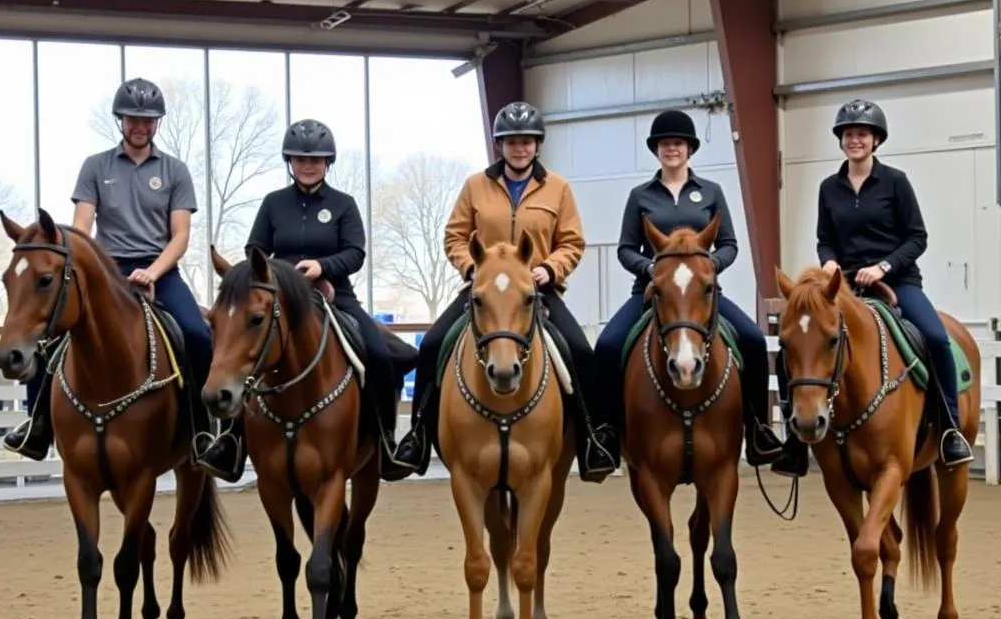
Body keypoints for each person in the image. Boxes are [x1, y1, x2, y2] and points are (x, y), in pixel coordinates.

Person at [2, 77, 236, 477]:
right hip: (107, 271)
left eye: (148, 120)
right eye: (133, 119)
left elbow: (180, 235)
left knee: (197, 335)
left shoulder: (175, 171)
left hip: (161, 271)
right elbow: (81, 227)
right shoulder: (96, 167)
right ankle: (37, 425)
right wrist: (95, 267)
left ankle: (202, 433)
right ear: (121, 121)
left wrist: (153, 272)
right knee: (49, 333)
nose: (140, 126)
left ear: (157, 124)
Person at [391, 100, 620, 484]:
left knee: (580, 352)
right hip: (484, 293)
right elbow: (455, 236)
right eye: (511, 141)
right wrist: (472, 268)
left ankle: (592, 440)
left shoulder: (558, 188)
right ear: (500, 145)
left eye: (527, 141)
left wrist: (550, 268)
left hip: (537, 292)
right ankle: (418, 437)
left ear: (537, 145)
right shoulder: (475, 186)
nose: (519, 148)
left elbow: (572, 241)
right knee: (432, 344)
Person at [198, 118, 408, 483]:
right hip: (280, 298)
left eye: (315, 160)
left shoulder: (344, 205)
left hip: (335, 295)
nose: (308, 165)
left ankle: (386, 440)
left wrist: (323, 267)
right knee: (240, 351)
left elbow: (355, 253)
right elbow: (255, 251)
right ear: (289, 162)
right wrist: (285, 274)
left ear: (328, 163)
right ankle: (230, 442)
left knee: (376, 353)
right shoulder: (273, 203)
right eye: (299, 159)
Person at [772, 98, 973, 476]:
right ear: (841, 141)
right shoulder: (829, 188)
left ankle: (949, 429)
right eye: (848, 134)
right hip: (843, 287)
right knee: (797, 346)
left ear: (876, 139)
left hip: (898, 281)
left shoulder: (896, 182)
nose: (855, 140)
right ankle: (795, 440)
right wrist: (830, 260)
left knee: (935, 337)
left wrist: (883, 266)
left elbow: (917, 237)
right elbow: (825, 238)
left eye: (862, 133)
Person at [592, 109, 786, 469]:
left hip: (703, 295)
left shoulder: (710, 192)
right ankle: (604, 435)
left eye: (678, 143)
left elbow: (728, 243)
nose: (672, 149)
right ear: (656, 150)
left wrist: (709, 267)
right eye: (665, 144)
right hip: (651, 292)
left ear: (690, 149)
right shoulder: (640, 196)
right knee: (606, 346)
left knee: (754, 340)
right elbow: (625, 248)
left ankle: (759, 429)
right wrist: (650, 269)